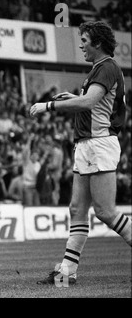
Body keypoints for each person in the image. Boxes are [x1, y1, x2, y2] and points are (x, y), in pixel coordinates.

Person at [30, 21, 131, 285]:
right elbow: (91, 102)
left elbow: (89, 102)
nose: (81, 45)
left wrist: (49, 105)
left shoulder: (107, 67)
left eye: (84, 40)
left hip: (99, 143)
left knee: (106, 212)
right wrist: (69, 96)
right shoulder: (99, 69)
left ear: (97, 43)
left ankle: (67, 270)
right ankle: (67, 271)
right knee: (77, 209)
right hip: (86, 144)